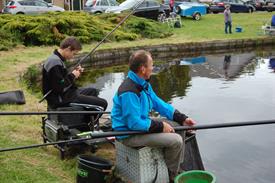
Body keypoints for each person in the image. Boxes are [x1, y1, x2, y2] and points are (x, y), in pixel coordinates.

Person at [111, 50, 196, 181]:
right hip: (129, 134)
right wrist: (161, 126)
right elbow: (134, 124)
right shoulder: (129, 91)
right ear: (143, 68)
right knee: (176, 140)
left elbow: (159, 104)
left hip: (140, 125)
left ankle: (175, 165)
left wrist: (182, 118)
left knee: (180, 126)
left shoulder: (143, 84)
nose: (153, 67)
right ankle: (172, 176)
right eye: (151, 64)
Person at [42, 36, 108, 111]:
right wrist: (73, 75)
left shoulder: (57, 59)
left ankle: (84, 119)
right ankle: (87, 121)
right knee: (103, 104)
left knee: (92, 91)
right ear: (68, 49)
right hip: (60, 99)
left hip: (66, 94)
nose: (73, 56)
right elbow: (59, 87)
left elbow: (61, 80)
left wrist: (74, 74)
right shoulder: (54, 62)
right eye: (74, 53)